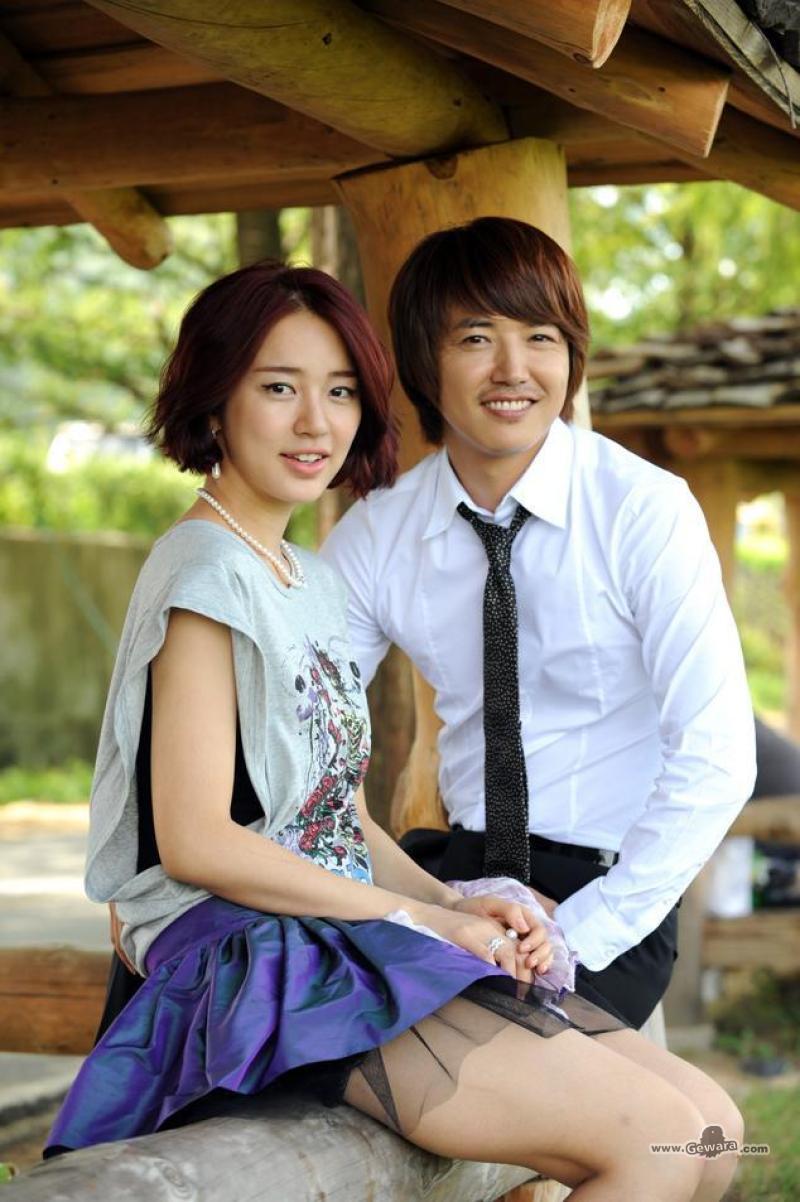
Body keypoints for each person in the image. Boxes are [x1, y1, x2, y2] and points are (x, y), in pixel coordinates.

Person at [46, 261, 741, 1201]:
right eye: (279, 388)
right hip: (253, 956)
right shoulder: (204, 573)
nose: (315, 422)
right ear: (215, 400)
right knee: (661, 1139)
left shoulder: (300, 575)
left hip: (333, 928)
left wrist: (456, 909)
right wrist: (421, 918)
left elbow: (333, 815)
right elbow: (198, 841)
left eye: (338, 392)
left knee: (713, 1129)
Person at [321, 217, 757, 1032]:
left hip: (608, 892)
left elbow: (718, 754)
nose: (513, 370)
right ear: (424, 361)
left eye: (541, 337)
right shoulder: (380, 533)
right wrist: (435, 902)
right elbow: (297, 735)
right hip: (457, 881)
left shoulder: (642, 509)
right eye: (476, 338)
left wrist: (578, 931)